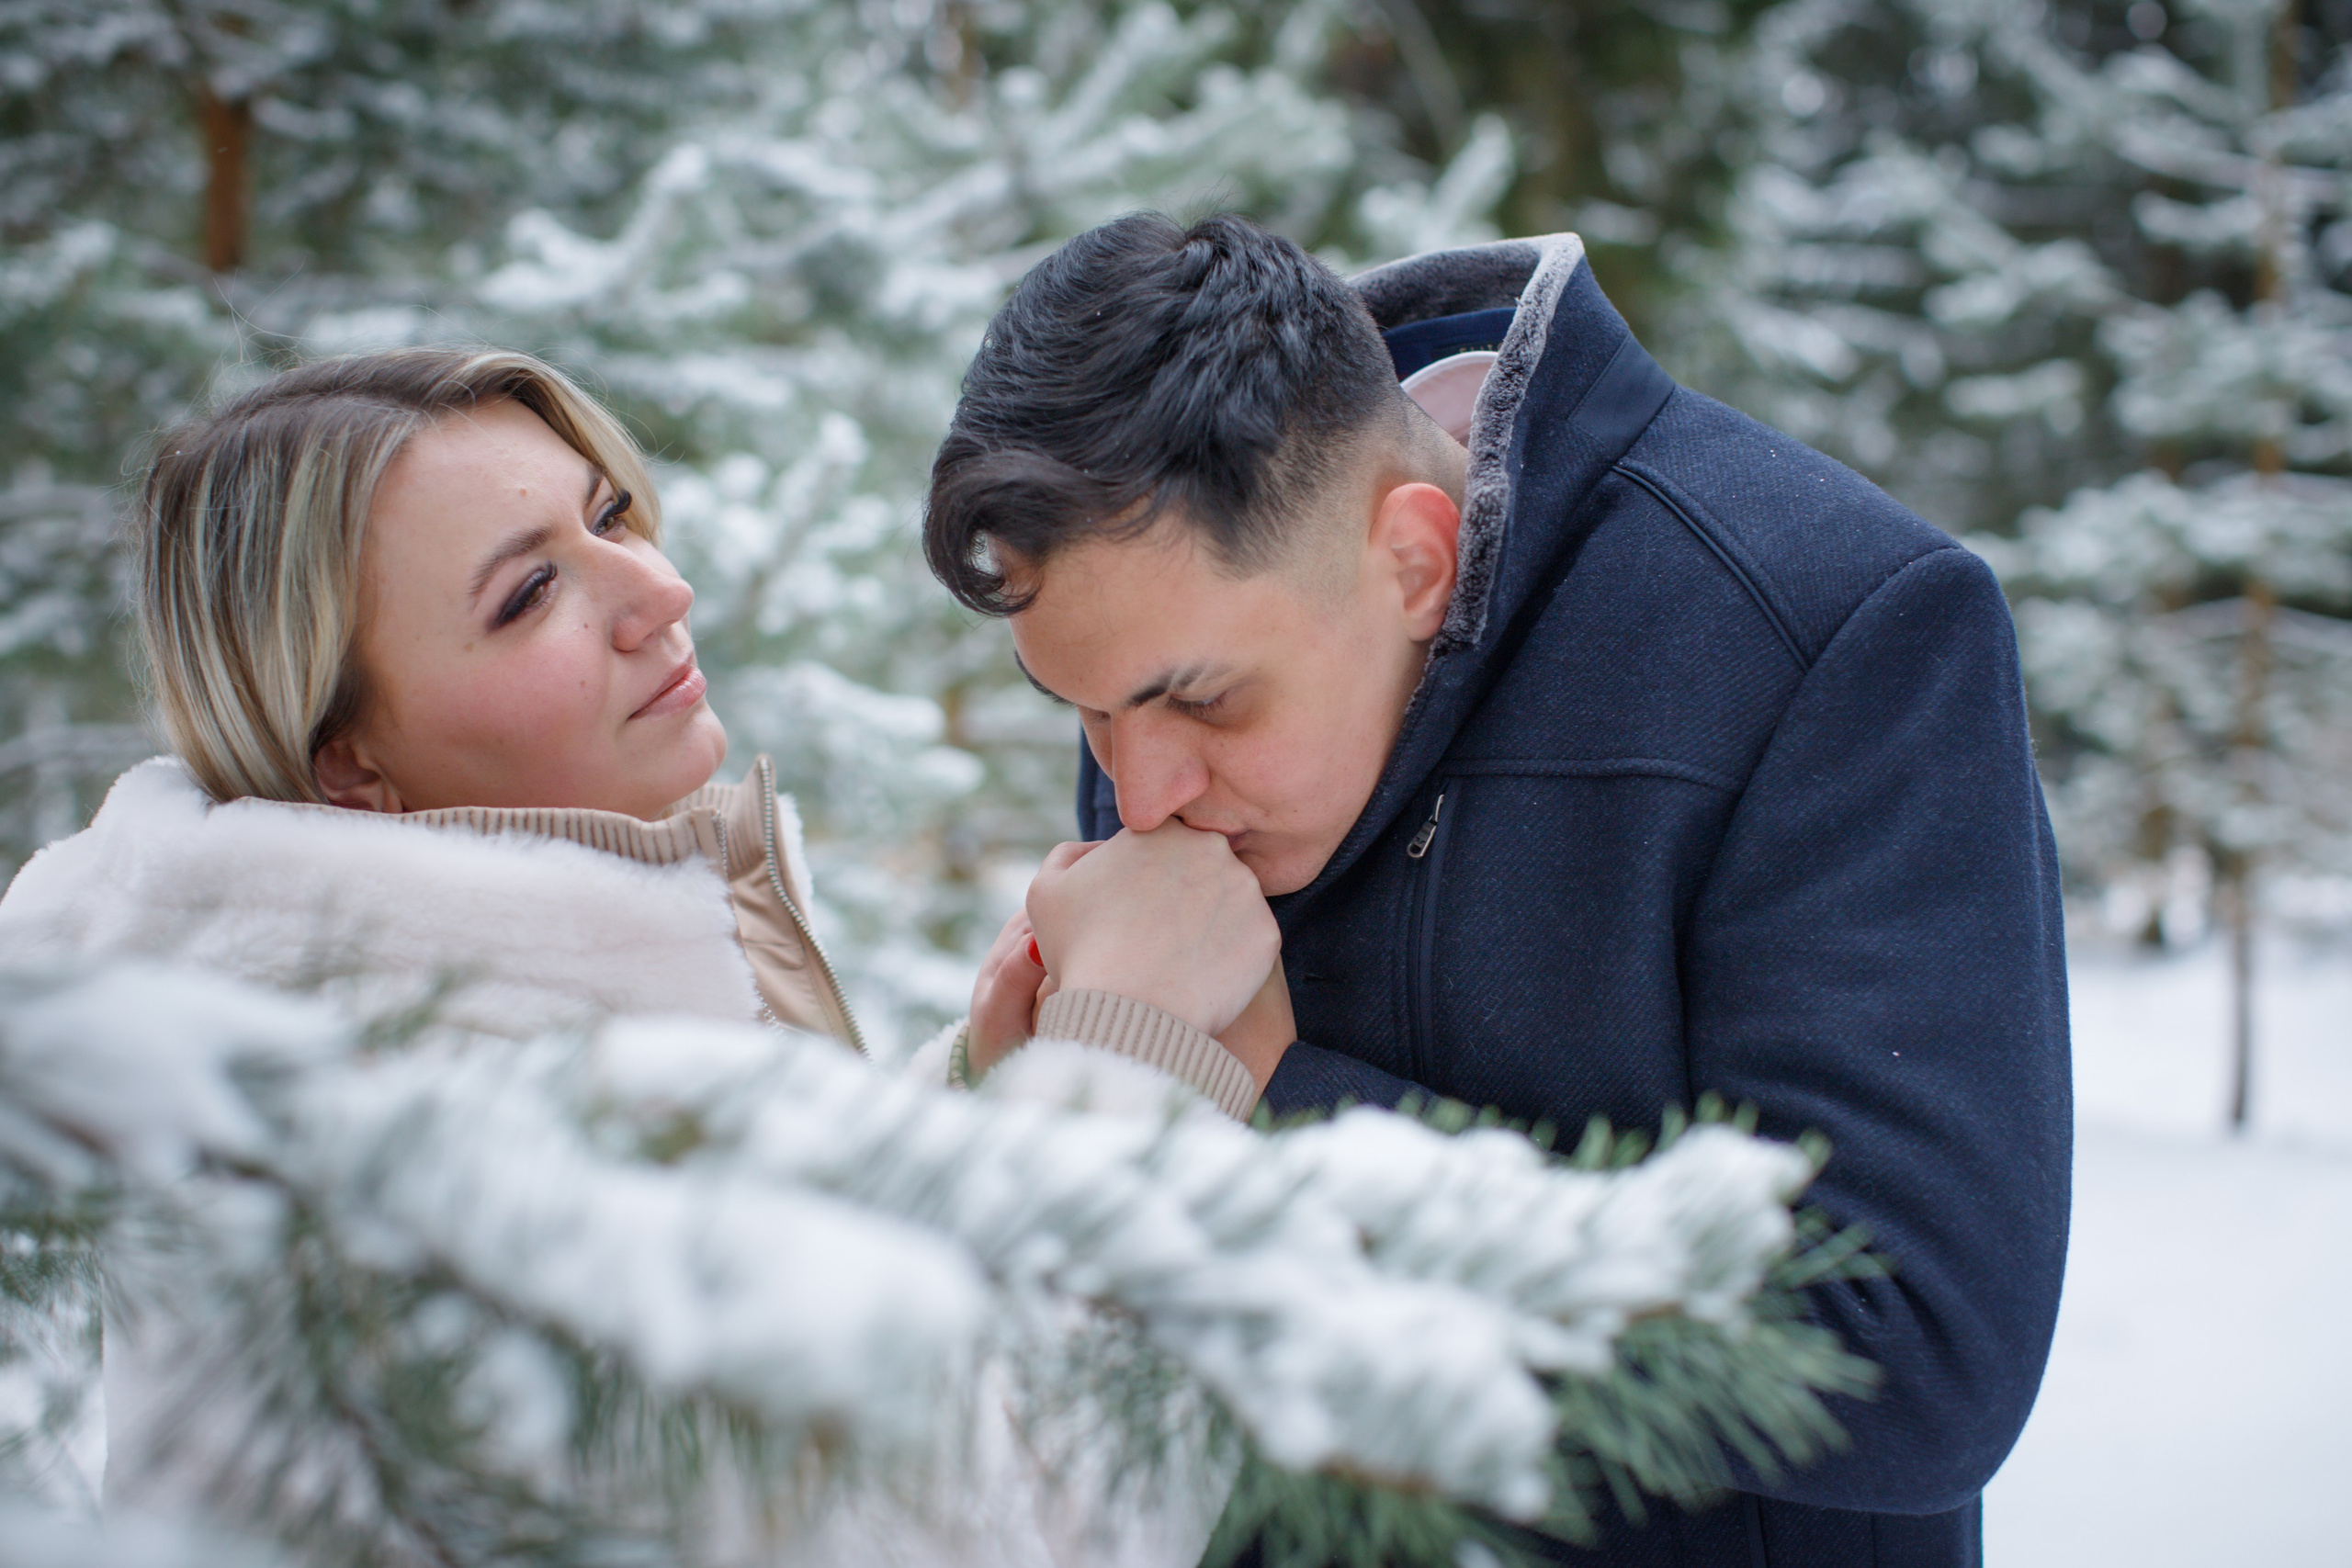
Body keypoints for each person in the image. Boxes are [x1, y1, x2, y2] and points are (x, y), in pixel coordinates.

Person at [924, 213, 2072, 1567]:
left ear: (1417, 558)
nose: (1141, 793)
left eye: (1198, 701)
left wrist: (1287, 1114)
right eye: (1086, 711)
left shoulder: (1831, 630)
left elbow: (1916, 1355)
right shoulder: (1173, 629)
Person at [0, 346, 1267, 1564]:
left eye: (608, 515)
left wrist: (960, 1116)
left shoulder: (378, 1029)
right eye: (527, 593)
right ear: (351, 768)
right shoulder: (427, 1181)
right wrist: (1128, 1061)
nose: (659, 591)